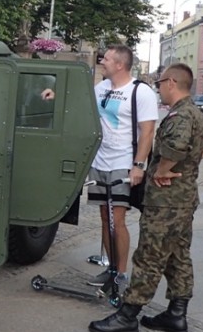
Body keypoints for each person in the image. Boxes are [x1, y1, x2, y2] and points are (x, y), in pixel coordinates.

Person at [88, 63, 203, 332]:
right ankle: (176, 314)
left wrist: (162, 169)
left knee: (149, 256)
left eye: (159, 83)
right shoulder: (195, 113)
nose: (158, 88)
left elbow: (176, 147)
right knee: (178, 257)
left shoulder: (181, 116)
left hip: (166, 202)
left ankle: (128, 314)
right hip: (183, 200)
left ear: (171, 82)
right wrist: (187, 164)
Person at [45, 45, 157, 286]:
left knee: (117, 220)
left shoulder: (140, 92)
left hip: (122, 163)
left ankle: (121, 273)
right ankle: (112, 268)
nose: (102, 61)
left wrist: (138, 165)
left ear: (120, 65)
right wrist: (55, 95)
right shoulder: (102, 87)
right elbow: (80, 102)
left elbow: (148, 132)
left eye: (106, 59)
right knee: (105, 218)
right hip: (99, 161)